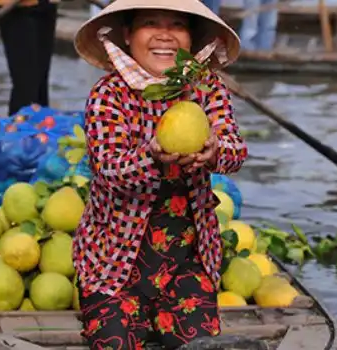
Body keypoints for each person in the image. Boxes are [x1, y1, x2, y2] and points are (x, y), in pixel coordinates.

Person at [72, 0, 247, 348]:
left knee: (198, 344)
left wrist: (215, 153)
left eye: (177, 25)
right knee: (114, 343)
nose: (164, 35)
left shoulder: (205, 89)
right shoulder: (108, 95)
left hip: (187, 265)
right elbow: (109, 169)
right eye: (150, 23)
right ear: (128, 34)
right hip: (113, 265)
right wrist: (152, 155)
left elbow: (236, 150)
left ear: (191, 38)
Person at [0, 0, 58, 115]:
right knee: (26, 85)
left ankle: (40, 128)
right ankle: (20, 129)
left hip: (46, 5)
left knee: (40, 84)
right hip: (15, 7)